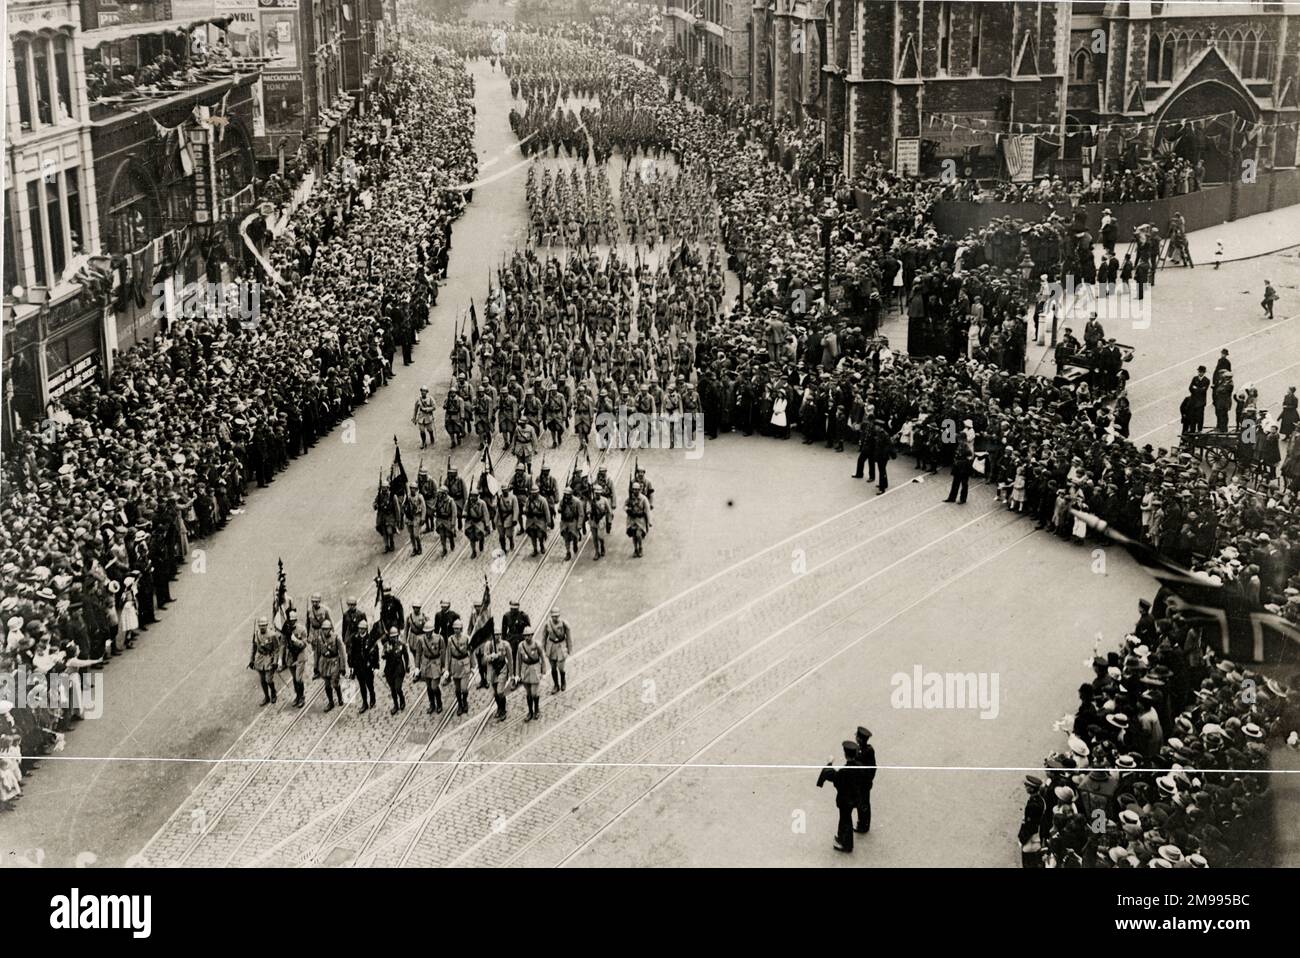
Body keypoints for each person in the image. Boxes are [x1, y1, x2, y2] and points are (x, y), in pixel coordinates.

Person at [816, 741, 861, 852]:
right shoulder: (859, 766)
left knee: (846, 820)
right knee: (844, 819)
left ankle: (846, 845)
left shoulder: (844, 772)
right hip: (854, 798)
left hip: (845, 801)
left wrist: (829, 763)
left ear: (845, 755)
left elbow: (832, 775)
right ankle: (841, 837)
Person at [412, 621, 446, 714]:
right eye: (426, 631)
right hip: (426, 664)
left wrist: (444, 667)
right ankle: (432, 704)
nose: (428, 633)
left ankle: (439, 703)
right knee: (429, 687)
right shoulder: (421, 640)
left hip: (435, 663)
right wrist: (417, 667)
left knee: (434, 686)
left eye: (429, 631)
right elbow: (418, 653)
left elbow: (443, 653)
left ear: (433, 630)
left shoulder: (439, 639)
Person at [313, 619, 347, 713]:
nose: (325, 631)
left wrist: (343, 667)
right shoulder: (320, 639)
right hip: (324, 663)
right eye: (323, 629)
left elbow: (342, 653)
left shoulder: (336, 638)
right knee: (327, 684)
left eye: (327, 629)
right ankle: (330, 702)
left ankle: (340, 696)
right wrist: (315, 666)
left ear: (330, 629)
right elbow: (317, 653)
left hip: (334, 661)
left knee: (334, 682)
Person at [481, 629, 513, 720]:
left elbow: (510, 660)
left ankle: (503, 710)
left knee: (500, 691)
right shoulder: (489, 645)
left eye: (499, 634)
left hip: (502, 669)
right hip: (492, 670)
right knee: (495, 692)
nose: (497, 636)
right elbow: (485, 658)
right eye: (495, 634)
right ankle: (499, 708)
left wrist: (511, 674)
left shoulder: (505, 644)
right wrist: (492, 656)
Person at [248, 616, 280, 706]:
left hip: (269, 659)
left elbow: (277, 649)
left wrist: (275, 661)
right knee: (262, 680)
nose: (262, 627)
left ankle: (273, 692)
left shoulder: (272, 635)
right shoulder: (256, 634)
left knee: (269, 680)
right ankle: (266, 697)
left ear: (267, 625)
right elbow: (254, 648)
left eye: (264, 625)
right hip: (260, 659)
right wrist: (251, 660)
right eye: (260, 625)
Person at [350, 617, 379, 714]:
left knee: (369, 684)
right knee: (362, 686)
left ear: (366, 629)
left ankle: (372, 697)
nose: (360, 630)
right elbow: (352, 652)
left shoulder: (370, 639)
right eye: (359, 628)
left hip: (368, 666)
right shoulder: (355, 638)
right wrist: (351, 665)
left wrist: (376, 666)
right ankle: (364, 703)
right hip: (358, 666)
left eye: (362, 629)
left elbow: (375, 653)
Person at [445, 617, 474, 714]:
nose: (456, 630)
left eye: (458, 628)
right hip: (454, 665)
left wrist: (473, 666)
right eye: (455, 629)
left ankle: (465, 701)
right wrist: (446, 669)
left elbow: (471, 653)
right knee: (457, 689)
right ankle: (460, 704)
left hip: (465, 664)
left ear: (461, 629)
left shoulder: (466, 639)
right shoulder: (450, 640)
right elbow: (448, 654)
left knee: (464, 689)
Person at [515, 629, 545, 721]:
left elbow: (542, 658)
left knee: (534, 693)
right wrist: (517, 674)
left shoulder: (537, 644)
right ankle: (530, 712)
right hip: (525, 670)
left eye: (529, 635)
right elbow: (518, 660)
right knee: (528, 693)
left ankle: (537, 710)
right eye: (525, 635)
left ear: (532, 635)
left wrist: (543, 671)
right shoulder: (521, 645)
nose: (527, 637)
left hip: (535, 668)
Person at [540, 607, 572, 693]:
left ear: (559, 615)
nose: (555, 618)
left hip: (561, 646)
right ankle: (556, 685)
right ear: (551, 616)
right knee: (553, 667)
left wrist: (569, 649)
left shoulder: (564, 624)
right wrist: (542, 649)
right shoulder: (547, 624)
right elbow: (543, 637)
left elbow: (568, 637)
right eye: (553, 616)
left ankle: (563, 681)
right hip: (551, 647)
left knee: (561, 668)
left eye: (557, 616)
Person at [853, 726, 876, 834]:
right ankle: (862, 822)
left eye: (857, 736)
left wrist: (868, 780)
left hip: (863, 783)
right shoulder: (860, 749)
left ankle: (864, 825)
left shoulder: (867, 751)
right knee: (861, 803)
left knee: (863, 804)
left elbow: (873, 767)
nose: (855, 737)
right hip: (860, 783)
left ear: (860, 739)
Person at [382, 628, 410, 714]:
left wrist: (407, 666)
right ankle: (395, 705)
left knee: (398, 688)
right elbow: (383, 656)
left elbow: (406, 656)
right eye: (392, 637)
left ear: (397, 636)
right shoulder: (386, 645)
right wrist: (387, 652)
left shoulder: (401, 645)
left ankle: (402, 699)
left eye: (395, 637)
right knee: (392, 689)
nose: (394, 639)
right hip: (389, 670)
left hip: (399, 669)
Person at [625, 480, 652, 557]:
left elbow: (647, 510)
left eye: (637, 489)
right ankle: (635, 549)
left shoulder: (643, 499)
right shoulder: (630, 498)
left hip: (640, 520)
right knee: (634, 535)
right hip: (632, 520)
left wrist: (649, 522)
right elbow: (625, 506)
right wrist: (628, 510)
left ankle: (640, 548)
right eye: (634, 489)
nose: (635, 491)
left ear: (640, 490)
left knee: (638, 535)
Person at [945, 441, 974, 505]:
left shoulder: (966, 448)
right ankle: (952, 498)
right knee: (955, 483)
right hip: (958, 467)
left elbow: (970, 455)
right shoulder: (959, 446)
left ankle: (963, 499)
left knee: (964, 484)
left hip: (964, 468)